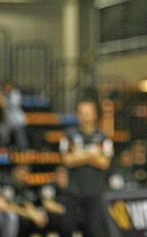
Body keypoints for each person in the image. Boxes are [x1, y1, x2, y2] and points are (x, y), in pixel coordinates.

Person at [59, 98, 114, 237]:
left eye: (89, 113)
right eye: (82, 113)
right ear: (77, 114)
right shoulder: (68, 135)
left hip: (95, 192)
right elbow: (67, 160)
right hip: (74, 192)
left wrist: (80, 154)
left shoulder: (103, 137)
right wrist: (92, 154)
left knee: (95, 231)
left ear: (95, 114)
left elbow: (104, 163)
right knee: (67, 229)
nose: (86, 116)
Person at [0, 80, 29, 150]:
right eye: (6, 86)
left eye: (8, 85)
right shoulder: (4, 94)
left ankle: (24, 153)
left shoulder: (15, 93)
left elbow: (6, 104)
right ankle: (3, 150)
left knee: (21, 141)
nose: (7, 87)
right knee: (3, 135)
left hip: (18, 121)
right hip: (8, 122)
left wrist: (1, 95)